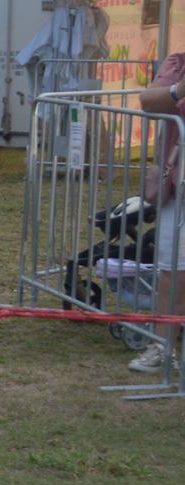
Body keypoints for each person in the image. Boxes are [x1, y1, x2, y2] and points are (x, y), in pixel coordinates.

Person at [129, 51, 185, 373]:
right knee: (173, 272)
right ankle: (162, 350)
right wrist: (180, 89)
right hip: (179, 183)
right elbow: (149, 102)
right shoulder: (178, 62)